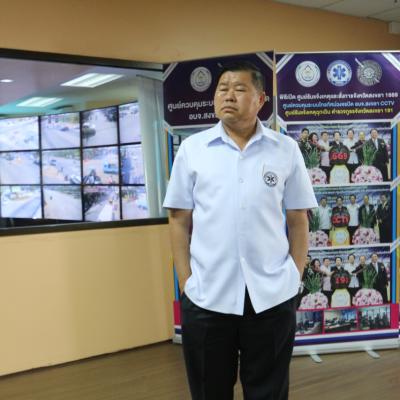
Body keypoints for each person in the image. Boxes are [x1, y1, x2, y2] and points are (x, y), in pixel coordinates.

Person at [163, 60, 317, 400]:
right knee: (209, 390)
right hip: (207, 296)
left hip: (271, 296)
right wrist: (186, 283)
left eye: (239, 88)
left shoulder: (285, 149)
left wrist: (294, 276)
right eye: (222, 89)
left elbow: (298, 218)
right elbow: (179, 219)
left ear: (260, 100)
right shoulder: (193, 149)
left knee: (269, 392)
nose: (228, 95)